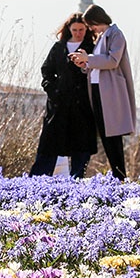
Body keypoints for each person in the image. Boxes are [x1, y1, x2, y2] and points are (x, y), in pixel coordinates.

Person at [69, 4, 136, 180]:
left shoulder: (116, 34)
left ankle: (119, 175)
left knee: (113, 135)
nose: (91, 29)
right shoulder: (101, 37)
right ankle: (116, 176)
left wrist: (88, 59)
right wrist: (85, 63)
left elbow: (112, 61)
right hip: (98, 90)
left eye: (91, 25)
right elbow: (97, 64)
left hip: (110, 92)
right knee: (106, 135)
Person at [30, 12, 96, 178]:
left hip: (82, 105)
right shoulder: (59, 48)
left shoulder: (91, 48)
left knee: (80, 146)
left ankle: (77, 181)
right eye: (75, 29)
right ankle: (38, 180)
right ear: (69, 29)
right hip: (58, 103)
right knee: (49, 143)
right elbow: (47, 71)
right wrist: (53, 91)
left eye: (81, 29)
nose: (78, 33)